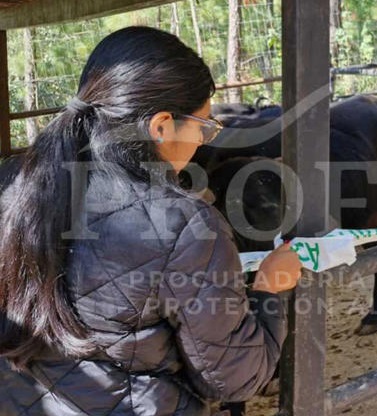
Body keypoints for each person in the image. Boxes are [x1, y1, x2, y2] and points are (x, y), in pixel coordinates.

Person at [0, 26, 302, 415]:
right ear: (161, 126)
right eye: (203, 127)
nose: (201, 142)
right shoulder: (185, 226)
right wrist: (269, 290)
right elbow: (234, 377)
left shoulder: (12, 184)